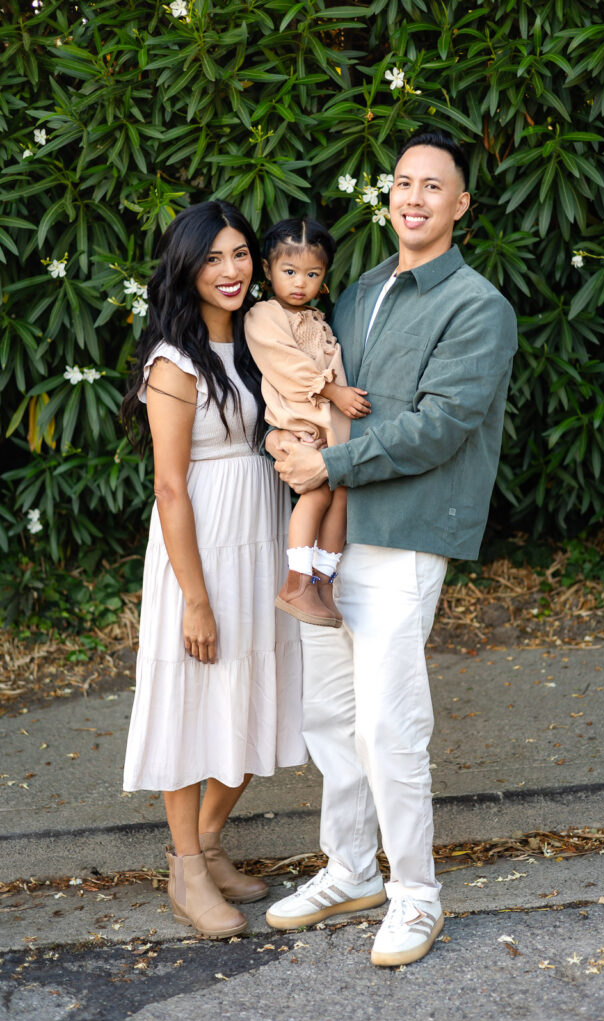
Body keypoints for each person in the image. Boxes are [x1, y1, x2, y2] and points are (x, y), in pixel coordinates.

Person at [264, 129, 518, 966]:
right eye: (402, 183)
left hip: (402, 534)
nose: (412, 198)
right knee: (329, 716)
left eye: (431, 187)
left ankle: (416, 894)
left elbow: (440, 427)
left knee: (386, 723)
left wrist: (327, 461)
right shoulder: (362, 286)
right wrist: (295, 447)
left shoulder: (476, 306)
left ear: (459, 206)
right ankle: (350, 869)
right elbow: (319, 386)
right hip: (332, 534)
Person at [120, 200, 306, 939]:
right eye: (211, 259)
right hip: (198, 547)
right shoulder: (173, 361)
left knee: (258, 694)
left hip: (261, 533)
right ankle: (186, 870)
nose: (228, 272)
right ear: (187, 268)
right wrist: (194, 600)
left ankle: (204, 847)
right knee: (191, 705)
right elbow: (169, 485)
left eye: (238, 256)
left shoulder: (260, 340)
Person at [245, 218, 371, 628]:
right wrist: (334, 392)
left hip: (328, 429)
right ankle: (296, 582)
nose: (301, 282)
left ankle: (322, 582)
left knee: (341, 498)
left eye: (312, 274)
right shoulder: (263, 315)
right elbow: (288, 365)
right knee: (315, 497)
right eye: (289, 272)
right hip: (301, 424)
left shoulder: (317, 318)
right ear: (267, 271)